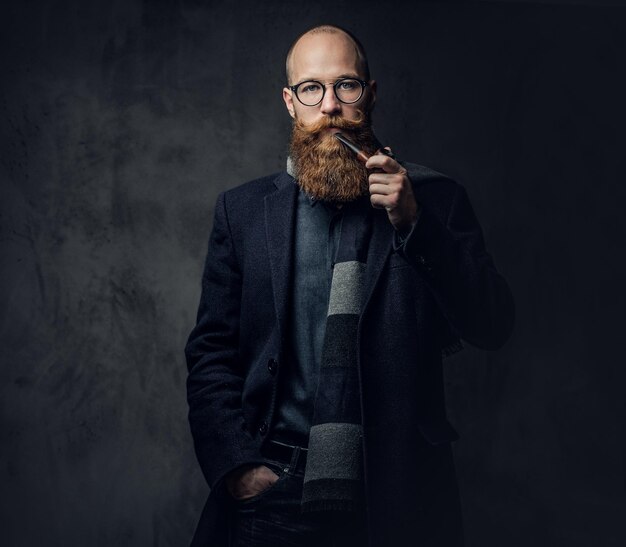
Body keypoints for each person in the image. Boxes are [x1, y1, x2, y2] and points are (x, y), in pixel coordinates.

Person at [185, 24, 514, 547]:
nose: (330, 105)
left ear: (371, 94)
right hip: (274, 495)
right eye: (312, 88)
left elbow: (493, 324)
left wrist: (414, 223)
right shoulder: (243, 213)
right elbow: (211, 354)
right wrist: (238, 469)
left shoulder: (434, 199)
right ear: (290, 103)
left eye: (346, 85)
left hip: (399, 495)